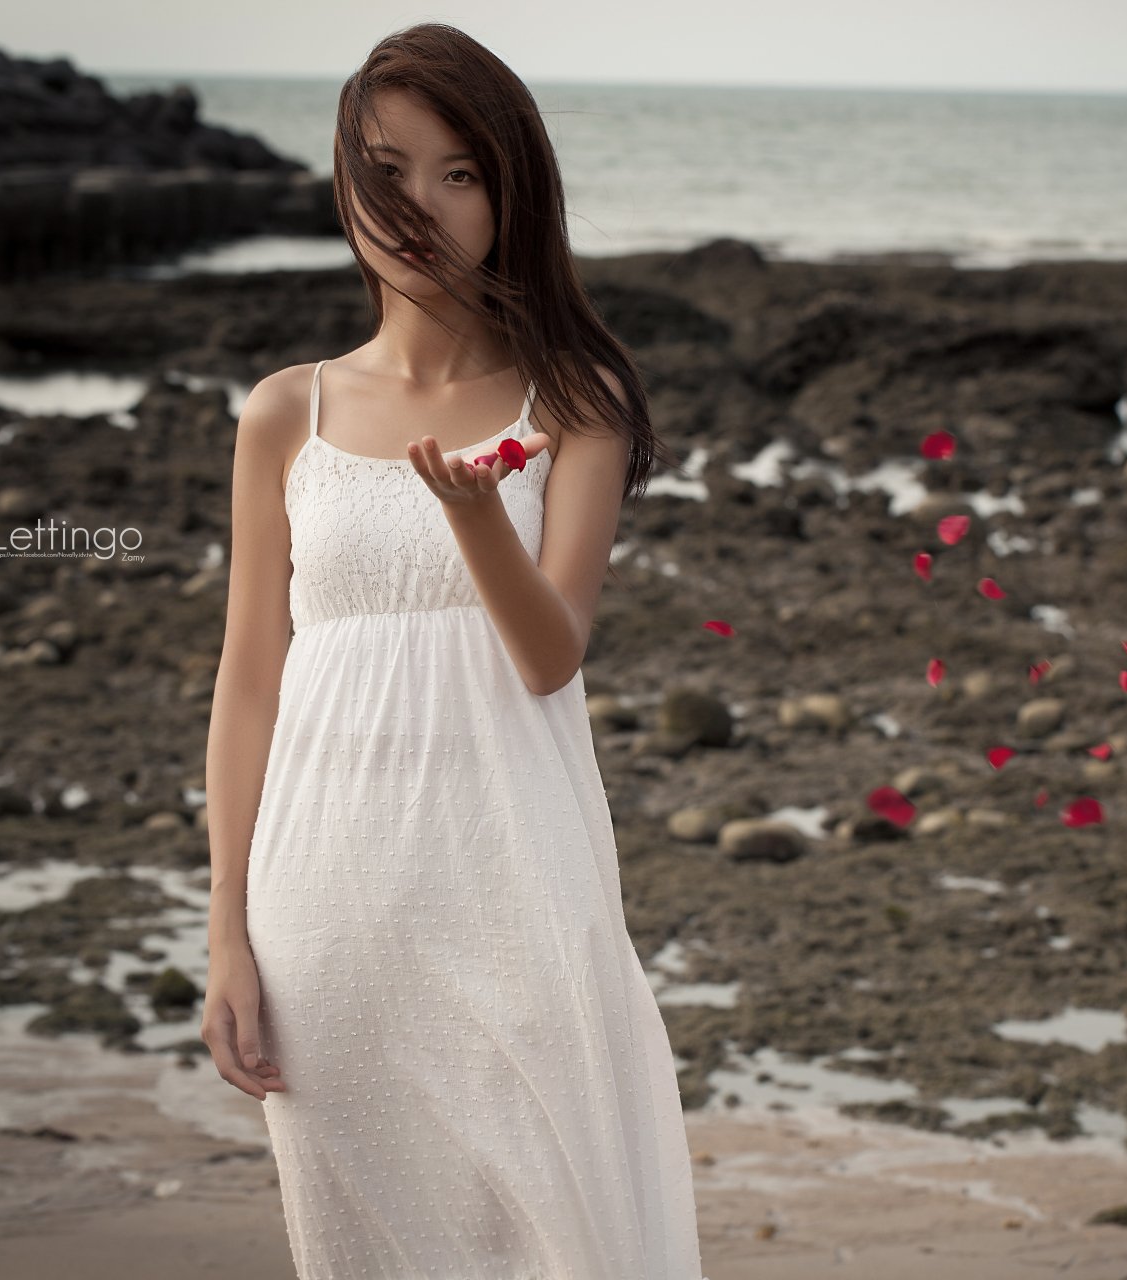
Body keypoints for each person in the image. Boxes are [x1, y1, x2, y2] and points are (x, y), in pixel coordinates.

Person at [200, 23, 709, 1278]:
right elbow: (250, 677)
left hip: (512, 887)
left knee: (563, 1227)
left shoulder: (574, 399)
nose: (417, 204)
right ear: (344, 182)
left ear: (508, 190)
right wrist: (226, 933)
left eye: (459, 172)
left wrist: (477, 519)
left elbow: (550, 654)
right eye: (387, 168)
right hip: (322, 900)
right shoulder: (286, 412)